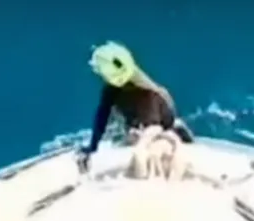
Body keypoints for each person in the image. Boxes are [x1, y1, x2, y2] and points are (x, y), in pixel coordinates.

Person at [78, 42, 194, 171]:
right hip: (143, 114)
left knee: (151, 132)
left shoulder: (147, 94)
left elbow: (153, 126)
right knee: (134, 128)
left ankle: (174, 130)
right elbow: (102, 116)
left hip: (157, 114)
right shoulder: (112, 89)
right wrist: (93, 146)